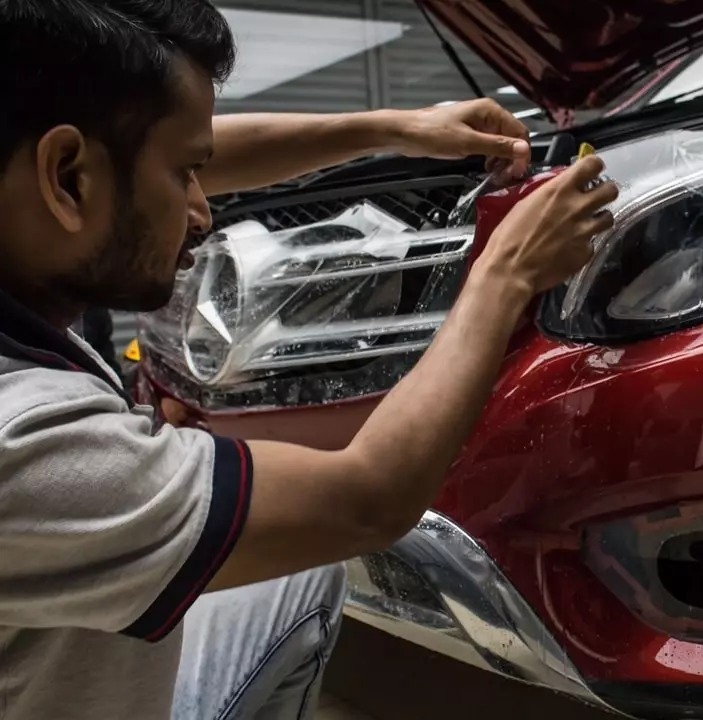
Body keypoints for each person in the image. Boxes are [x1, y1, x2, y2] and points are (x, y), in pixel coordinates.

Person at [0, 2, 618, 720]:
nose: (202, 212)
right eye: (186, 175)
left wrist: (395, 129)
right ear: (67, 176)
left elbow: (173, 149)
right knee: (316, 544)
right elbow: (363, 502)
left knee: (291, 578)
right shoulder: (26, 445)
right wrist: (507, 273)